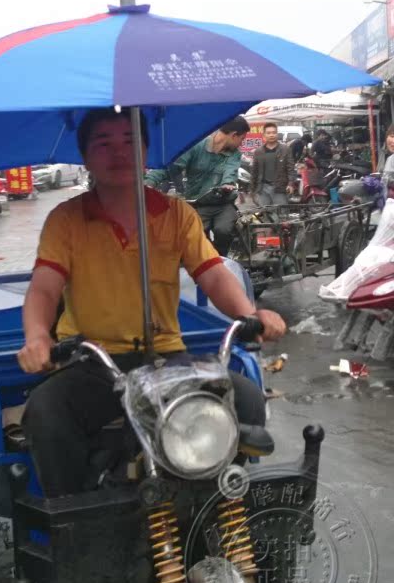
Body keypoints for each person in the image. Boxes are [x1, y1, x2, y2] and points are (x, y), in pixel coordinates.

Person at [18, 108, 286, 498]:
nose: (119, 153)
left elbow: (211, 273)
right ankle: (77, 523)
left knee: (244, 399)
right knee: (45, 414)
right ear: (86, 156)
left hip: (165, 359)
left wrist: (251, 315)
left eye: (129, 142)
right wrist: (37, 336)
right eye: (104, 144)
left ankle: (213, 500)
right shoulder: (66, 220)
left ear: (145, 150)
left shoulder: (176, 215)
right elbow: (44, 287)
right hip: (94, 364)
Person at [145, 116, 250, 256]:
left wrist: (227, 184)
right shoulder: (196, 146)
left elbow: (230, 172)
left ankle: (222, 260)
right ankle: (208, 260)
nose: (241, 143)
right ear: (233, 135)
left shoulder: (234, 155)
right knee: (197, 238)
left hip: (223, 203)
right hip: (197, 202)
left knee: (223, 230)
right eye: (242, 139)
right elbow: (171, 167)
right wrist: (150, 181)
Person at [250, 123, 295, 209]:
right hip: (263, 188)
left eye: (274, 132)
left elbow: (290, 168)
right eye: (269, 133)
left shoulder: (285, 149)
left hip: (280, 188)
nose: (271, 135)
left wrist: (291, 183)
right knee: (265, 214)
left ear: (277, 134)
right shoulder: (258, 152)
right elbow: (254, 172)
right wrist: (252, 190)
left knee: (281, 214)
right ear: (264, 135)